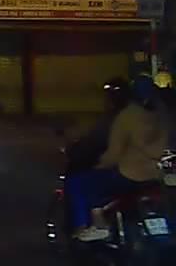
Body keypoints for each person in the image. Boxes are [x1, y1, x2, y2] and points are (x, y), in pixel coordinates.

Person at [65, 75, 170, 242]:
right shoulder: (162, 114)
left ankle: (98, 226)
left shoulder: (127, 116)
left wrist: (99, 165)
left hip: (129, 175)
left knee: (79, 183)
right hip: (156, 175)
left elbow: (113, 153)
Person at [64, 77, 130, 175]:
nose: (105, 100)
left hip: (107, 163)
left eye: (108, 96)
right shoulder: (112, 116)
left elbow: (101, 144)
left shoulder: (120, 118)